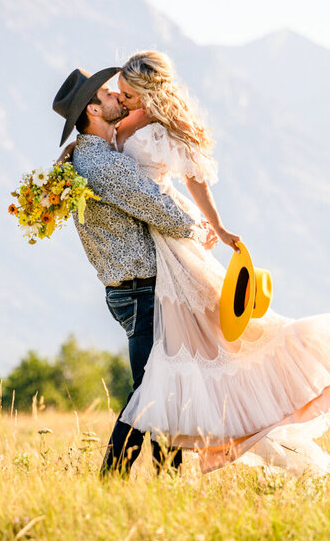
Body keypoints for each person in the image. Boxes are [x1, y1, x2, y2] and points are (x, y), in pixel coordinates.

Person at [112, 50, 330, 476]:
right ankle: (163, 466)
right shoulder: (121, 118)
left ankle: (161, 463)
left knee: (194, 343)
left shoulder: (161, 128)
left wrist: (219, 228)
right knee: (175, 356)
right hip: (143, 231)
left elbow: (194, 179)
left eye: (130, 92)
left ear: (149, 92)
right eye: (122, 91)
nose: (123, 97)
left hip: (168, 230)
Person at [51, 66, 217, 476]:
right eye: (109, 95)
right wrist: (200, 228)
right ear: (92, 108)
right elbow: (159, 209)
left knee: (164, 385)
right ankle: (112, 477)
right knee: (151, 389)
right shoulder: (104, 166)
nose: (117, 98)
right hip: (141, 291)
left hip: (134, 289)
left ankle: (169, 474)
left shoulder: (91, 156)